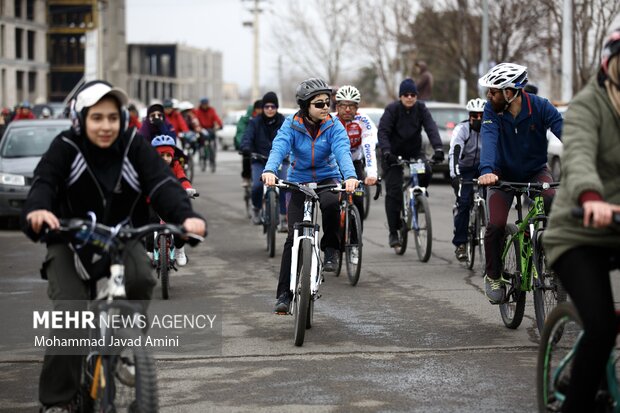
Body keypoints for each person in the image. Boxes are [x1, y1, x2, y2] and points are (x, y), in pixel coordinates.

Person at [19, 80, 206, 413]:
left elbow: (161, 182)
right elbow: (45, 180)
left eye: (112, 117)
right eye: (96, 118)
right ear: (81, 118)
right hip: (68, 238)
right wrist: (39, 210)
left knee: (143, 278)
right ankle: (58, 401)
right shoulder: (66, 146)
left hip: (120, 236)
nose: (106, 126)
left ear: (121, 118)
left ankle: (122, 348)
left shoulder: (133, 144)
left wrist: (186, 217)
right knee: (71, 313)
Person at [542, 27, 620, 413]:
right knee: (601, 326)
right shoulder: (591, 104)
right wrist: (592, 197)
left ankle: (603, 379)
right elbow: (579, 154)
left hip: (618, 228)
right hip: (577, 231)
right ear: (609, 64)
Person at [261, 78, 358, 314]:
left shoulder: (333, 126)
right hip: (298, 179)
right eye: (319, 104)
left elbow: (342, 151)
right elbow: (280, 146)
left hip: (327, 176)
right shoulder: (291, 124)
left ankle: (331, 248)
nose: (326, 107)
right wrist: (270, 170)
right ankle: (284, 294)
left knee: (331, 204)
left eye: (327, 102)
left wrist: (350, 176)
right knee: (292, 237)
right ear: (305, 106)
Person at [477, 62, 563, 303]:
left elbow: (567, 132)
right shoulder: (491, 110)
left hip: (535, 172)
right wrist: (486, 170)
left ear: (509, 91)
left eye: (493, 91)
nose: (488, 95)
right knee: (495, 225)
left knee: (552, 203)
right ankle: (493, 275)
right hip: (500, 175)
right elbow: (489, 139)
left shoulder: (540, 107)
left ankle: (554, 262)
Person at [378, 78, 444, 248]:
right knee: (394, 191)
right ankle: (394, 231)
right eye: (406, 94)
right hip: (393, 156)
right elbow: (383, 132)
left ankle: (419, 197)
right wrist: (386, 152)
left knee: (427, 170)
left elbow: (431, 127)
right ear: (401, 96)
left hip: (414, 153)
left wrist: (438, 149)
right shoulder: (392, 109)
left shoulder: (421, 108)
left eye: (413, 94)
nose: (409, 97)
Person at [148, 134, 197, 266]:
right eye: (161, 155)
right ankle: (149, 251)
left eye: (168, 155)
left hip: (171, 200)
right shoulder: (148, 166)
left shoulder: (175, 166)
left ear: (173, 156)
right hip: (152, 200)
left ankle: (179, 249)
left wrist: (187, 188)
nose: (165, 159)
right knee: (149, 222)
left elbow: (182, 178)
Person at [240, 92, 288, 226]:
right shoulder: (255, 122)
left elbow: (291, 137)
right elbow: (247, 137)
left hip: (280, 161)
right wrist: (246, 148)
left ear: (277, 107)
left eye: (273, 106)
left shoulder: (283, 121)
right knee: (257, 186)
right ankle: (256, 208)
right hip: (259, 160)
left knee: (285, 186)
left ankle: (284, 217)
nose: (270, 109)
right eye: (267, 106)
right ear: (263, 107)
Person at [333, 85, 378, 221]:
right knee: (331, 203)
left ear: (357, 108)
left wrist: (371, 173)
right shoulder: (330, 121)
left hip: (355, 164)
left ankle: (356, 241)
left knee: (358, 201)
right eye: (343, 105)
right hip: (334, 166)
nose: (347, 109)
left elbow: (369, 148)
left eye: (351, 106)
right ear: (337, 106)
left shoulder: (363, 121)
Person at [449, 98, 485, 261]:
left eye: (481, 116)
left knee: (491, 199)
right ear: (469, 116)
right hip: (464, 169)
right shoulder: (462, 129)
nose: (477, 119)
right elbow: (454, 152)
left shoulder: (490, 129)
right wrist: (455, 175)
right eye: (474, 116)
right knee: (464, 202)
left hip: (484, 168)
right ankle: (461, 244)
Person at [235, 99, 263, 188]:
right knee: (246, 157)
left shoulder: (266, 118)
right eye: (258, 108)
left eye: (261, 108)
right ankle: (246, 177)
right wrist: (244, 146)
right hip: (250, 144)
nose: (260, 111)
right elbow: (241, 133)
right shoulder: (246, 119)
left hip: (262, 146)